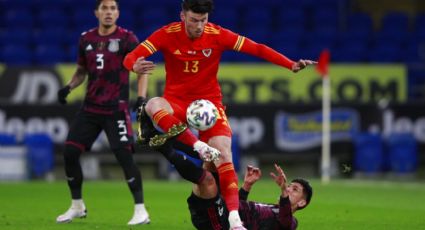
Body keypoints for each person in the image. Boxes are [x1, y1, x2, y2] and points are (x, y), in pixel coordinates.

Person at [124, 0, 316, 228]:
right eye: (194, 20)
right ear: (182, 16)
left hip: (210, 105)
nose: (199, 26)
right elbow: (131, 57)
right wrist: (133, 66)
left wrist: (290, 64)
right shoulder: (166, 34)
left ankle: (235, 219)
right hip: (177, 102)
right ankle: (197, 147)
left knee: (224, 154)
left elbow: (256, 48)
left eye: (203, 21)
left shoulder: (218, 34)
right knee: (153, 104)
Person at [55, 0, 155, 225]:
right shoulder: (86, 39)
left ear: (118, 13)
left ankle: (141, 210)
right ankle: (77, 206)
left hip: (115, 108)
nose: (108, 12)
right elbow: (82, 70)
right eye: (104, 8)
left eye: (113, 8)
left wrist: (141, 98)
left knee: (124, 157)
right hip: (90, 108)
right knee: (70, 153)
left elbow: (143, 69)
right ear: (96, 13)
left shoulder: (127, 39)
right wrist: (69, 87)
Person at [188, 164, 313, 230]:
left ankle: (170, 150)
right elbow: (235, 208)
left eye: (294, 189)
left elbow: (285, 220)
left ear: (302, 203)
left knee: (207, 179)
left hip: (218, 222)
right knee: (212, 162)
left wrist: (283, 189)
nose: (288, 189)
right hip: (222, 209)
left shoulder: (291, 222)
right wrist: (247, 185)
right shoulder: (272, 208)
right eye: (289, 186)